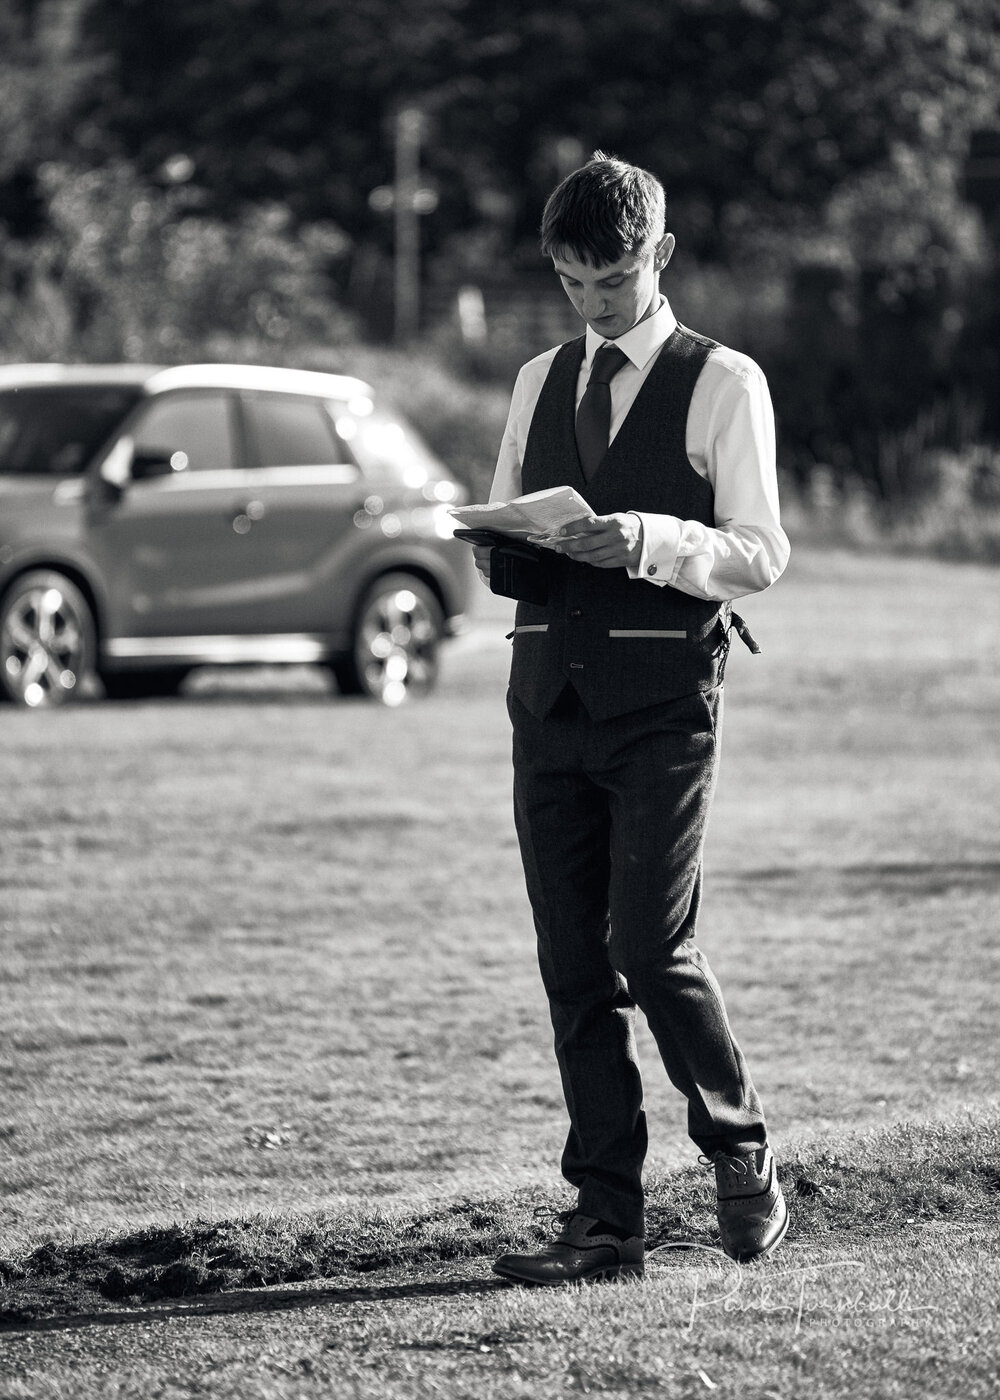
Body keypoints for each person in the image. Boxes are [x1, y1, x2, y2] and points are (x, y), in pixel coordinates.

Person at [476, 152, 792, 1286]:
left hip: (663, 705)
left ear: (657, 255)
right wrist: (503, 542)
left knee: (648, 948)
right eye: (570, 281)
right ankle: (605, 1221)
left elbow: (759, 551)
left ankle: (740, 1147)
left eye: (609, 277)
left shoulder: (724, 380)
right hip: (545, 699)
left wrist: (653, 540)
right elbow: (511, 536)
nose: (591, 301)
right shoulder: (535, 380)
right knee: (572, 967)